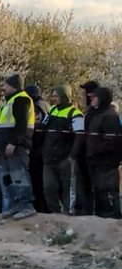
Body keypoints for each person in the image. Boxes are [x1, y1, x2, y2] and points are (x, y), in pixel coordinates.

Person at [0, 74, 36, 220]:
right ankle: (15, 205)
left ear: (13, 86)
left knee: (19, 175)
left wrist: (14, 142)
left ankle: (26, 205)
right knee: (8, 177)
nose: (4, 88)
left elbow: (21, 124)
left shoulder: (22, 100)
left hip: (16, 147)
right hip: (5, 148)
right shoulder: (9, 102)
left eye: (6, 85)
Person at [41, 85, 83, 214]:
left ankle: (68, 214)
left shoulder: (75, 114)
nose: (54, 99)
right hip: (49, 157)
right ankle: (55, 212)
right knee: (48, 186)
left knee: (67, 189)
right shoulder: (52, 110)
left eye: (56, 96)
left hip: (65, 158)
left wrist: (72, 156)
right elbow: (43, 126)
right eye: (52, 96)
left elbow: (79, 137)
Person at [84, 87, 122, 218]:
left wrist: (95, 150)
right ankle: (102, 216)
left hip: (107, 162)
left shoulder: (110, 116)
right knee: (99, 191)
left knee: (108, 191)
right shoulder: (97, 114)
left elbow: (111, 141)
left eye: (94, 97)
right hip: (96, 161)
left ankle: (113, 217)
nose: (91, 99)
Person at [74, 81, 101, 215]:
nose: (85, 95)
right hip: (84, 153)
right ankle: (85, 209)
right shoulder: (89, 110)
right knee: (83, 184)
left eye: (88, 92)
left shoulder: (98, 111)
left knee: (91, 185)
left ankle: (91, 211)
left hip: (93, 154)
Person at [26, 84, 50, 214]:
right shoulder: (46, 105)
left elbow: (35, 126)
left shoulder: (35, 107)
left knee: (36, 182)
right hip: (44, 147)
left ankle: (40, 210)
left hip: (36, 148)